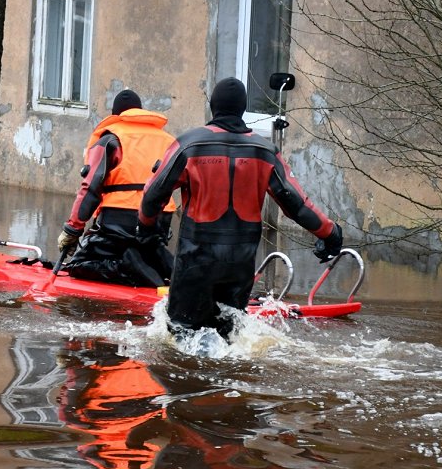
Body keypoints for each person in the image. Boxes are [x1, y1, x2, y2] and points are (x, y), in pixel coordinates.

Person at [137, 77, 343, 339]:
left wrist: (145, 229)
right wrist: (330, 234)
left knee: (181, 337)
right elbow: (296, 204)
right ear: (243, 108)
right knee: (229, 341)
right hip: (240, 265)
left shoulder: (189, 145)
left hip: (197, 260)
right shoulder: (265, 151)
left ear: (213, 106)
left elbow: (153, 195)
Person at [57, 89, 176, 287]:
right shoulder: (168, 141)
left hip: (120, 222)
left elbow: (90, 188)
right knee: (145, 249)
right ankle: (160, 265)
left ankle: (126, 266)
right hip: (159, 222)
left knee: (79, 265)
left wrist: (72, 229)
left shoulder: (111, 139)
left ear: (116, 115)